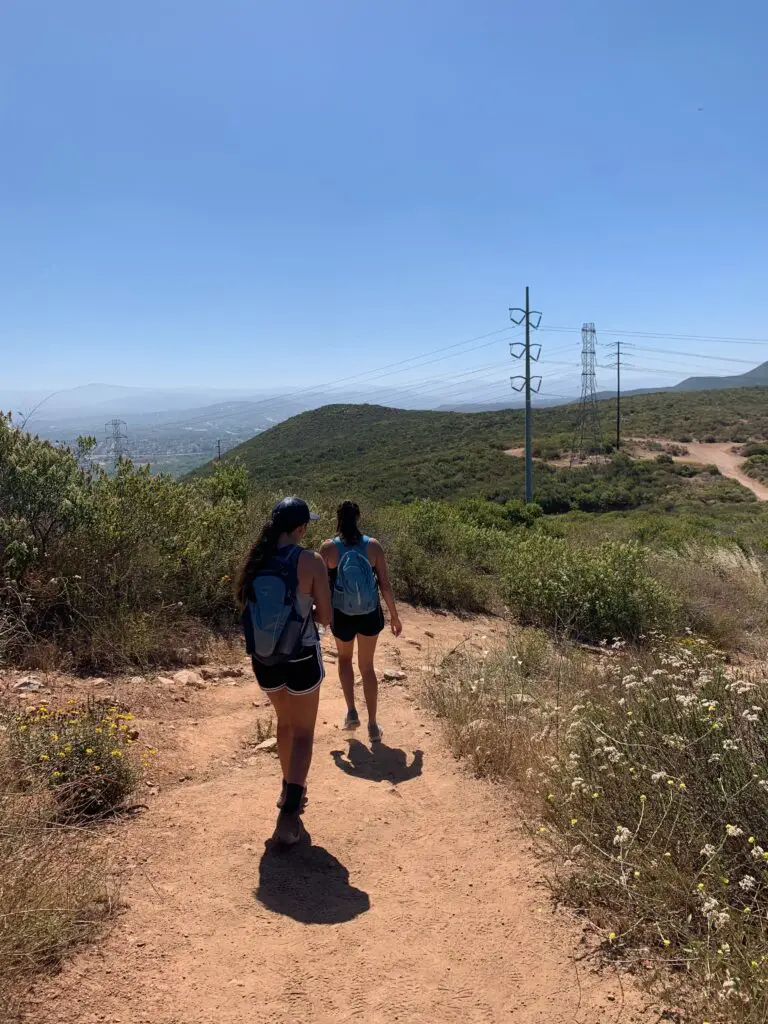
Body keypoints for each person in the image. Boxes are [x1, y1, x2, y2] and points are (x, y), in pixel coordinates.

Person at [237, 497, 331, 846]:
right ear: (301, 528)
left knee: (285, 723)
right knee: (304, 732)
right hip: (301, 657)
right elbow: (325, 617)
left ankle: (287, 790)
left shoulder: (255, 560)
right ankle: (288, 816)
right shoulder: (311, 562)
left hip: (264, 660)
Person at [320, 501, 402, 744]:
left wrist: (322, 615)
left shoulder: (328, 548)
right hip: (369, 613)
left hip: (342, 614)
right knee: (367, 667)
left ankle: (352, 712)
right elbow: (385, 584)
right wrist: (394, 616)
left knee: (344, 660)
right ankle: (374, 725)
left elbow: (322, 586)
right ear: (358, 518)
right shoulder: (373, 546)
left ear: (338, 518)